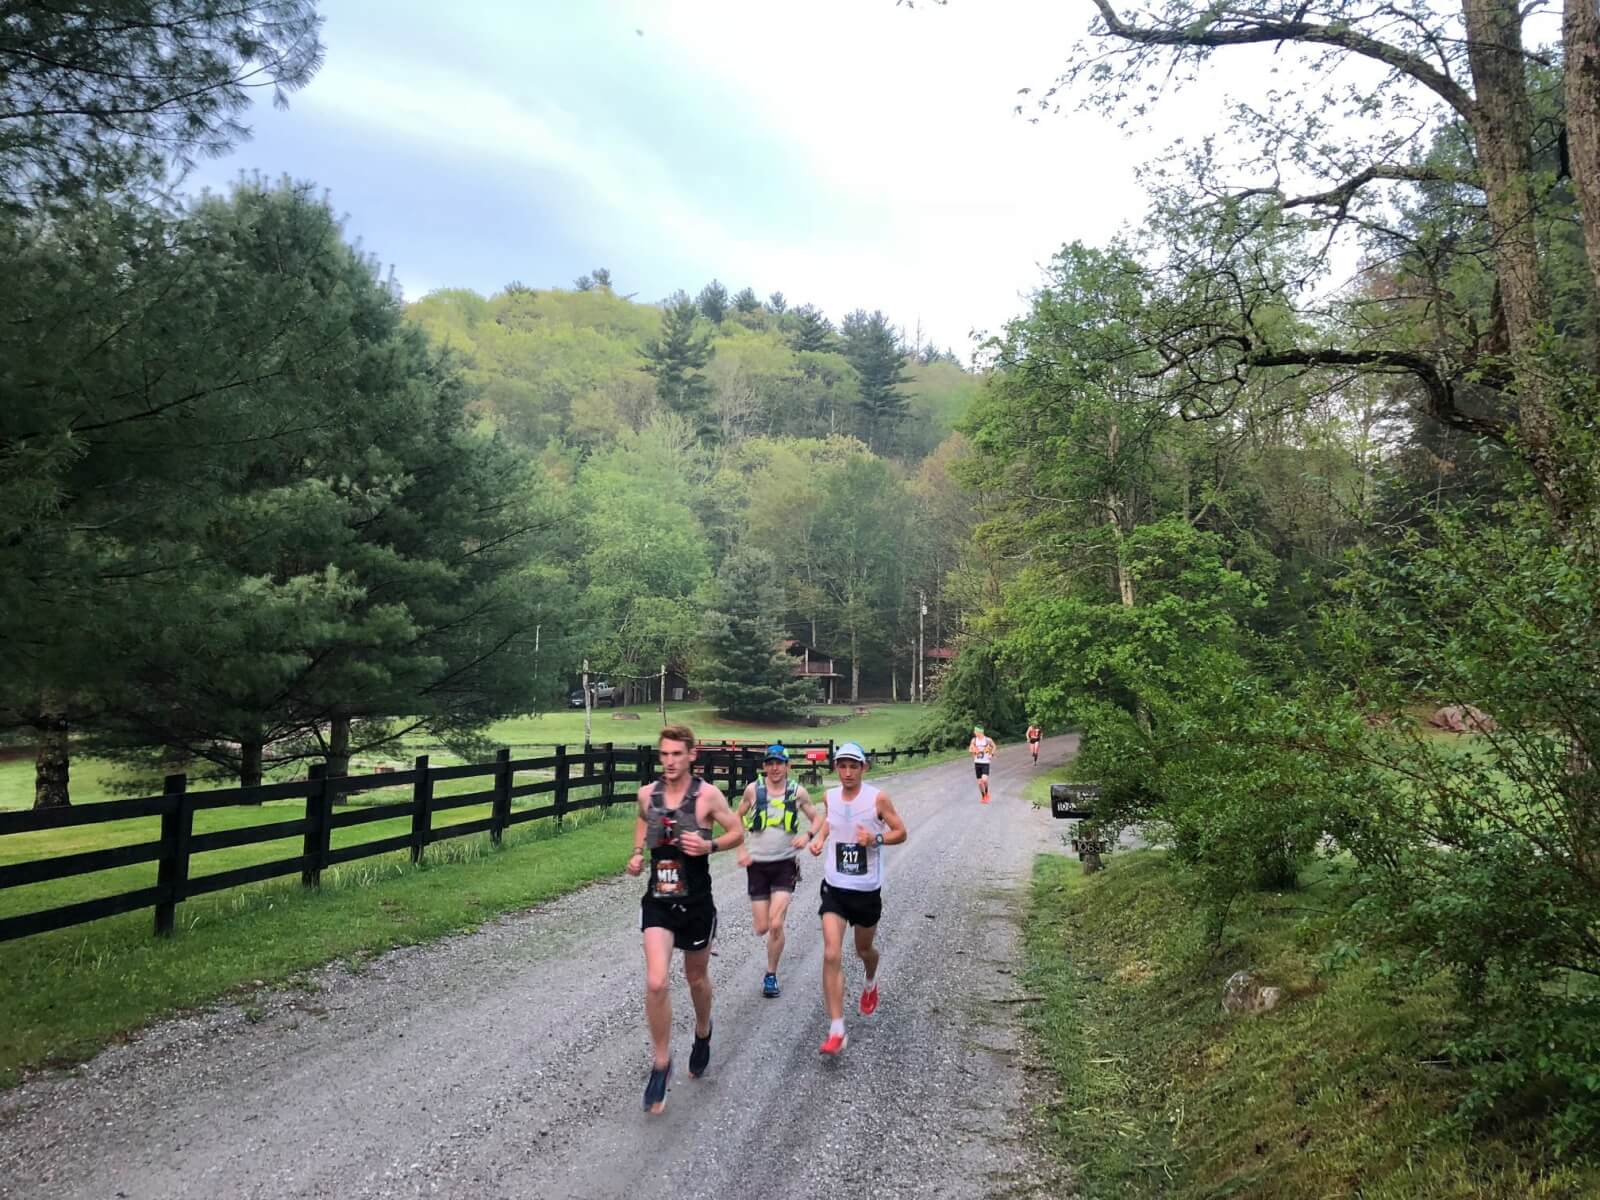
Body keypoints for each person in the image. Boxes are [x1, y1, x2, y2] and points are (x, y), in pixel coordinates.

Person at [625, 724, 743, 1114]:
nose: (670, 761)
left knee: (696, 978)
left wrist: (709, 844)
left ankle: (703, 1031)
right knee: (656, 981)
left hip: (696, 903)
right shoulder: (648, 794)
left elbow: (737, 832)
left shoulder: (707, 796)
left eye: (677, 754)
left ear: (692, 754)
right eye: (665, 754)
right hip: (658, 899)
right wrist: (638, 852)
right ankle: (661, 1063)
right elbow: (644, 818)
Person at [807, 741, 907, 1056]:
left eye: (854, 766)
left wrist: (874, 838)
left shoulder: (877, 798)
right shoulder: (830, 796)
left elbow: (901, 831)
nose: (848, 772)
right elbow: (830, 821)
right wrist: (820, 839)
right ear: (836, 768)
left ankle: (871, 979)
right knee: (831, 953)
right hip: (835, 887)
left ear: (864, 767)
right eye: (842, 766)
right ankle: (837, 1029)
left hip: (865, 891)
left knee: (863, 950)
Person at [736, 744, 821, 999]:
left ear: (787, 766)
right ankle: (770, 941)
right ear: (764, 767)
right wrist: (740, 849)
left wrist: (807, 835)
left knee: (775, 923)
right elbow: (734, 819)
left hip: (785, 864)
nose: (775, 768)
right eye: (770, 763)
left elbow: (818, 818)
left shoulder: (798, 792)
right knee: (762, 926)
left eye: (779, 763)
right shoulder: (753, 790)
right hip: (757, 866)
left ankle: (771, 975)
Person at [968, 725, 997, 802]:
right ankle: (983, 796)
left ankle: (987, 793)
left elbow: (994, 746)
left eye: (975, 731)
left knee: (984, 780)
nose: (974, 732)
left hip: (985, 763)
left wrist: (991, 754)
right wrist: (973, 751)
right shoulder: (974, 740)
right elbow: (970, 749)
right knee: (980, 783)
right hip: (977, 763)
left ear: (979, 732)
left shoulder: (988, 740)